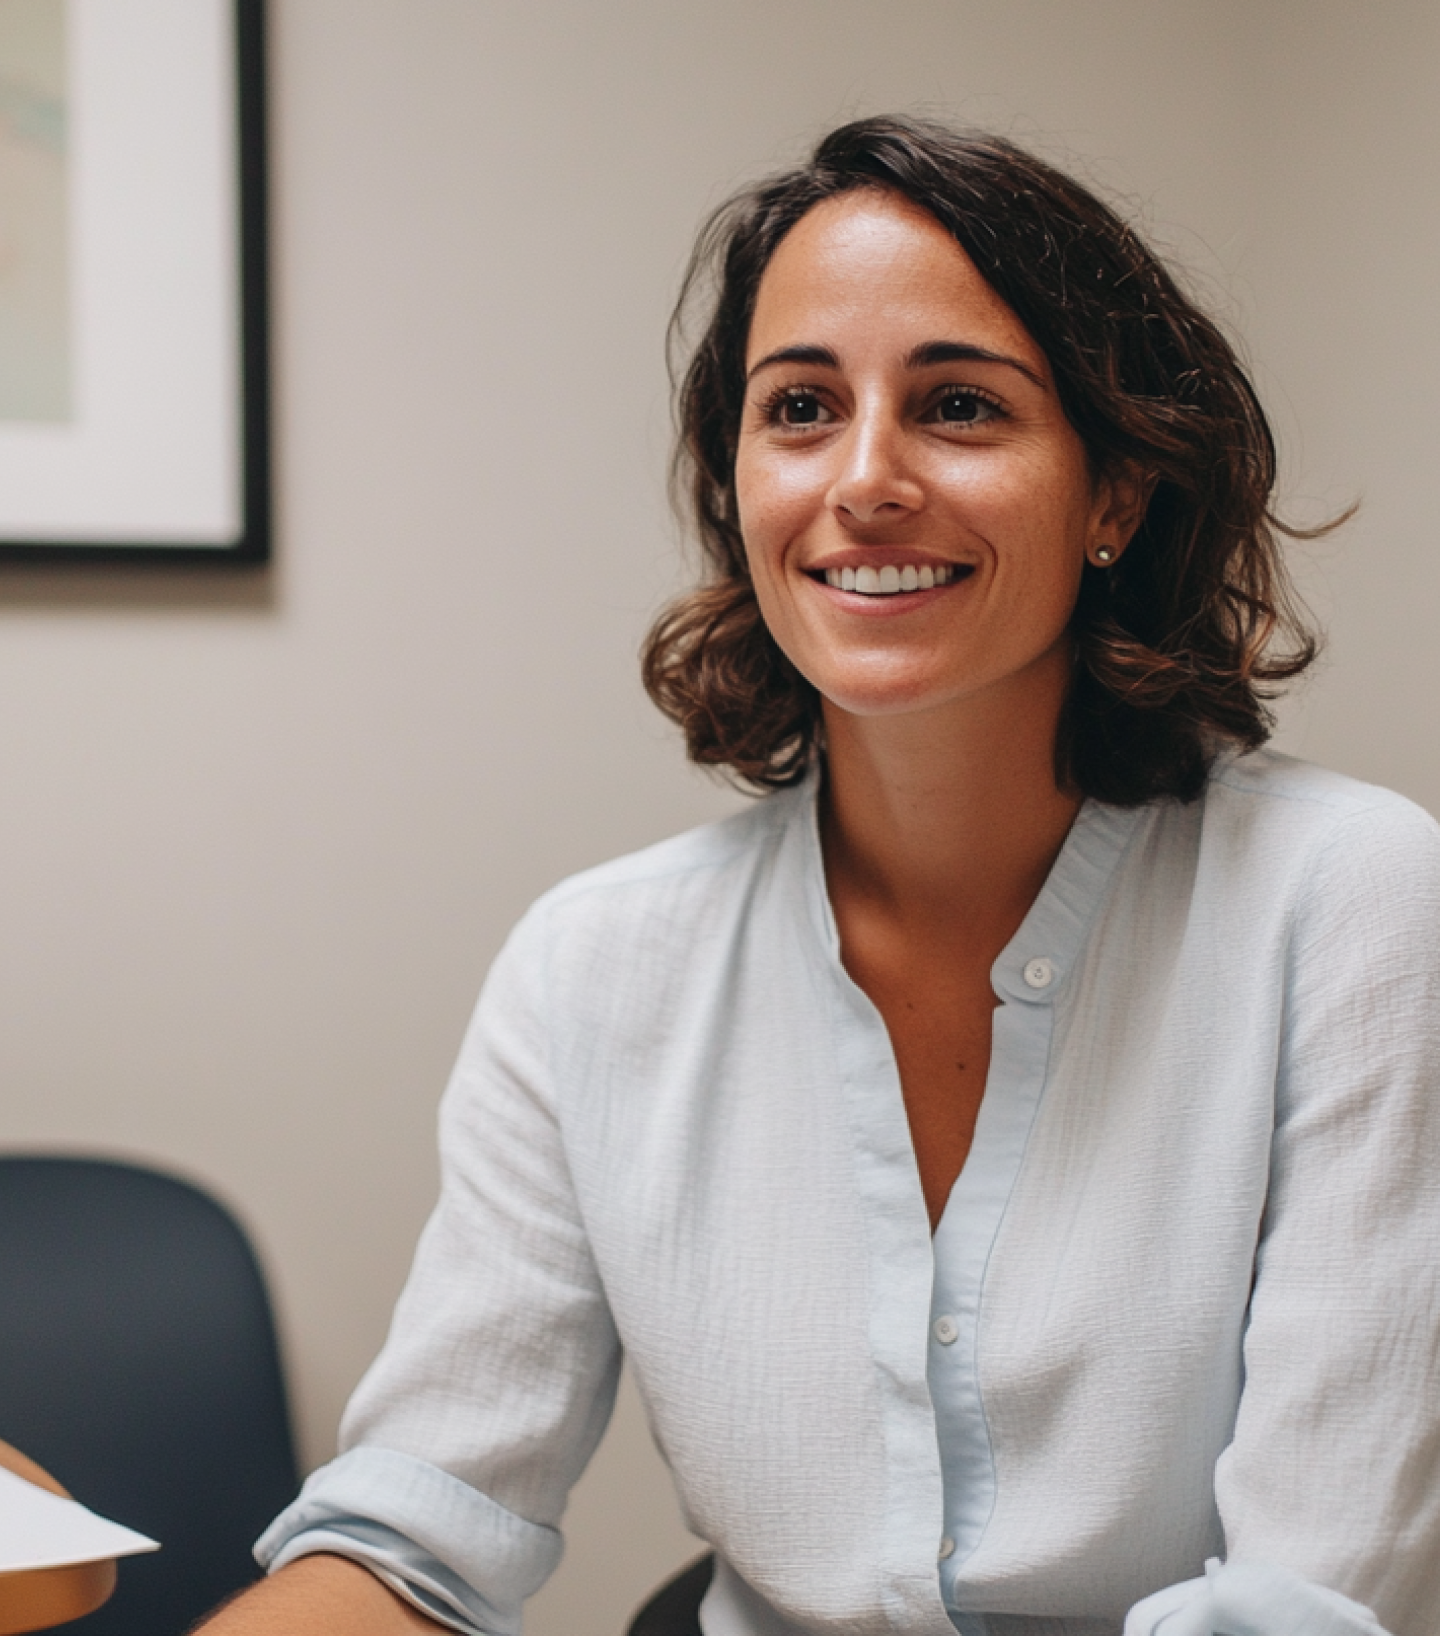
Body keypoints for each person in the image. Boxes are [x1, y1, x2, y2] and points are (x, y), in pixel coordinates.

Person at [201, 117, 1440, 1636]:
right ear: (739, 486)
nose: (864, 481)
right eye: (799, 407)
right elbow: (415, 1537)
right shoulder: (593, 969)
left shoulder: (1353, 906)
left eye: (961, 406)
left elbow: (1298, 1605)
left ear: (1114, 492)